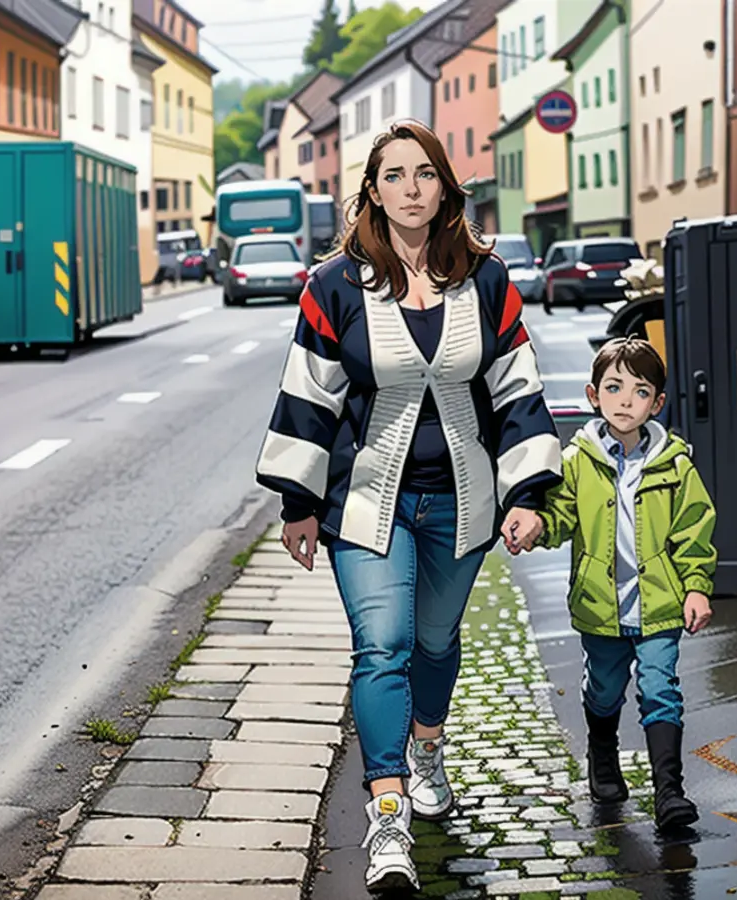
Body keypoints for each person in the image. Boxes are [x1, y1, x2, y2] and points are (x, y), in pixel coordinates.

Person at [255, 119, 562, 893]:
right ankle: (387, 814)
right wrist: (299, 503)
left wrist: (527, 493)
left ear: (445, 186)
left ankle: (428, 749)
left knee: (434, 643)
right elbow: (309, 396)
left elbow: (517, 389)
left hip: (461, 502)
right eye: (394, 176)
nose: (411, 189)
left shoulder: (486, 279)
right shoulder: (333, 286)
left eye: (424, 174)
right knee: (382, 647)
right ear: (372, 191)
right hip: (366, 508)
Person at [511, 337, 717, 831]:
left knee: (660, 687)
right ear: (593, 395)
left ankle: (669, 792)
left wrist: (696, 586)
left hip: (659, 605)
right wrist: (538, 525)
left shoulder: (675, 465)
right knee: (604, 692)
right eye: (614, 387)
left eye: (641, 391)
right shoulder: (577, 461)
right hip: (601, 607)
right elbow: (560, 515)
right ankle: (603, 753)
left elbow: (694, 529)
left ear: (657, 403)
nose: (626, 401)